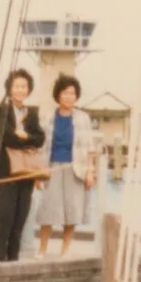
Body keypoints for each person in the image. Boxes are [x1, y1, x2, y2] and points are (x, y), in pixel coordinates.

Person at [0, 68, 43, 263]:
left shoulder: (32, 113)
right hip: (5, 171)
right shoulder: (2, 111)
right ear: (9, 89)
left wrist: (27, 136)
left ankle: (14, 259)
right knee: (6, 216)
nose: (20, 90)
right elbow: (7, 138)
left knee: (21, 217)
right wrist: (29, 140)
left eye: (24, 86)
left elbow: (40, 138)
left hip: (26, 172)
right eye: (17, 86)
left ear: (29, 89)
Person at [36, 75, 95, 256]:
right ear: (58, 95)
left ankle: (65, 250)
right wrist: (38, 174)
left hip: (75, 168)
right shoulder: (47, 117)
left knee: (72, 211)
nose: (69, 97)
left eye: (72, 93)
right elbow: (40, 148)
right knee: (48, 210)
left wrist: (90, 172)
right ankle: (42, 249)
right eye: (65, 93)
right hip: (52, 167)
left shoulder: (83, 118)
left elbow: (89, 148)